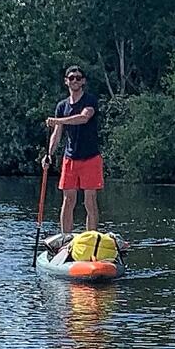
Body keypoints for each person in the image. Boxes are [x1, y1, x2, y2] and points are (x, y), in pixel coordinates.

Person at [44, 66, 103, 234]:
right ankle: (66, 238)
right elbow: (57, 134)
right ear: (66, 81)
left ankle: (90, 239)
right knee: (68, 200)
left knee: (89, 201)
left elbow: (84, 118)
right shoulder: (62, 106)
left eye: (78, 78)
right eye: (71, 78)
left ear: (83, 81)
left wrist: (58, 120)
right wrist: (49, 155)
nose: (75, 81)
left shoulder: (89, 101)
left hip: (90, 157)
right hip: (70, 158)